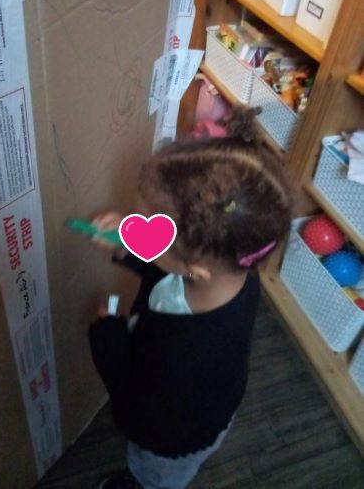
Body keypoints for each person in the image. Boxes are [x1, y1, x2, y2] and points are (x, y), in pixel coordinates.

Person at [88, 107, 293, 489]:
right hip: (204, 405)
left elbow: (141, 419)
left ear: (194, 268)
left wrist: (108, 340)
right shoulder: (235, 272)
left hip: (171, 443)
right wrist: (128, 249)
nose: (133, 228)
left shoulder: (182, 357)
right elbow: (169, 271)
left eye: (146, 229)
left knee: (152, 476)